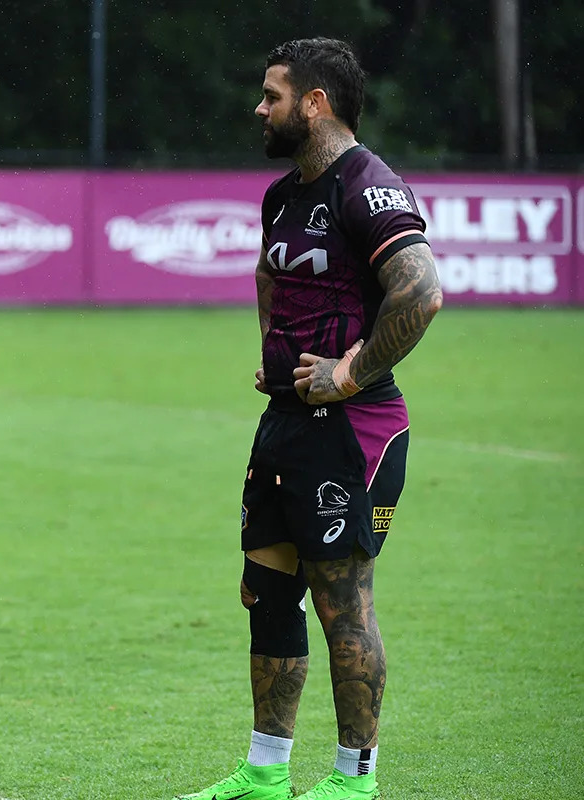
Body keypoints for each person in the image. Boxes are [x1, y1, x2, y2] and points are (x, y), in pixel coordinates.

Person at [174, 38, 443, 800]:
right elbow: (270, 268)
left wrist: (349, 372)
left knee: (342, 602)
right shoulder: (284, 194)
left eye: (273, 96)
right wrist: (276, 350)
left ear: (315, 104)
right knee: (266, 592)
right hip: (286, 422)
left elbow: (420, 293)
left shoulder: (369, 185)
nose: (260, 109)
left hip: (354, 431)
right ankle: (264, 774)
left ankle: (354, 782)